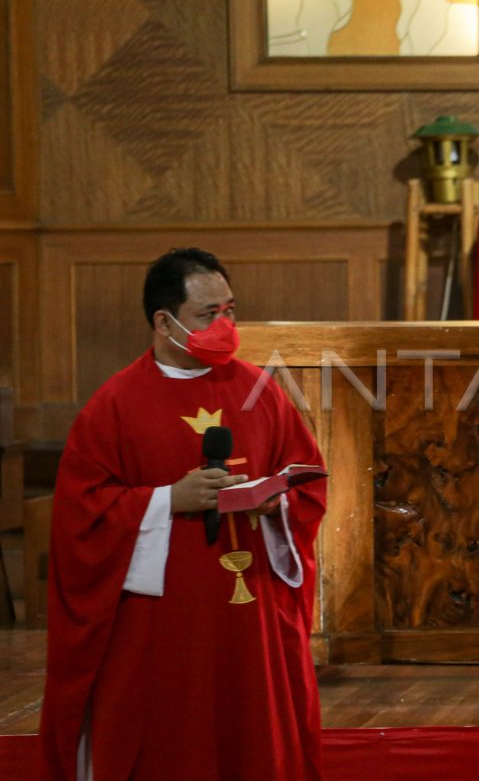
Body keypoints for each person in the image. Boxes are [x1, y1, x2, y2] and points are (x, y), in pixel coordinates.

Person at [40, 248, 327, 781]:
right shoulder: (115, 405)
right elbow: (82, 517)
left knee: (251, 734)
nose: (225, 326)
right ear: (163, 321)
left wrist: (275, 502)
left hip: (251, 609)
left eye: (230, 311)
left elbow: (306, 476)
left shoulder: (259, 390)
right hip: (163, 617)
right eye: (208, 315)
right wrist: (171, 499)